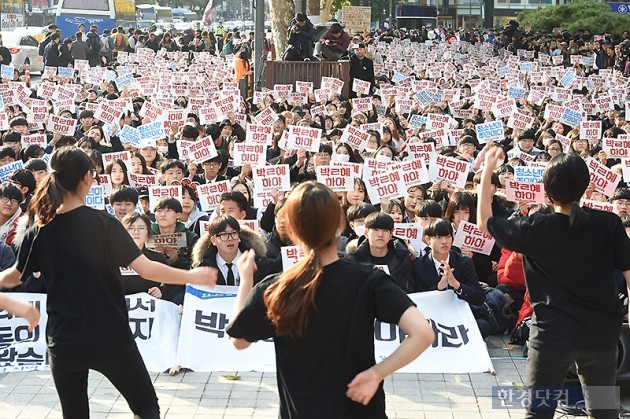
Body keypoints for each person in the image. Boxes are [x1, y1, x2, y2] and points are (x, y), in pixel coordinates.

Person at [0, 146, 217, 419]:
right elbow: (147, 268)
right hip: (110, 336)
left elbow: (12, 277)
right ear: (86, 179)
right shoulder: (104, 224)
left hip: (65, 340)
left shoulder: (39, 230)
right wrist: (191, 276)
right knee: (146, 407)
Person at [226, 181, 434, 418]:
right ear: (339, 223)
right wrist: (376, 374)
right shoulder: (368, 280)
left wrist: (245, 283)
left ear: (291, 227)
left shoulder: (276, 287)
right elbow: (423, 333)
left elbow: (239, 341)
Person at [477, 149, 630, 418]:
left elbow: (484, 223)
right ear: (585, 187)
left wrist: (487, 171)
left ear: (545, 191)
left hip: (551, 337)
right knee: (605, 410)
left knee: (539, 411)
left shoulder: (534, 227)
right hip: (601, 336)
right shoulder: (609, 223)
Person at [192, 215, 272, 286]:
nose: (230, 238)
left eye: (234, 233)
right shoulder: (202, 267)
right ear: (214, 240)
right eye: (224, 235)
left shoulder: (258, 264)